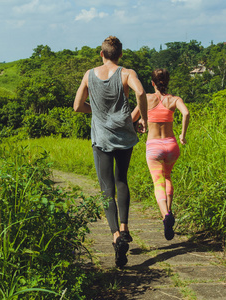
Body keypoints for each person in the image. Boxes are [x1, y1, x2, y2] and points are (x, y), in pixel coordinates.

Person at [73, 36, 148, 268]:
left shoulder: (89, 75)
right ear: (120, 55)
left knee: (107, 189)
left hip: (101, 138)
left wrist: (95, 111)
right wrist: (142, 118)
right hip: (124, 136)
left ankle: (116, 236)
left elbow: (77, 106)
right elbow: (142, 93)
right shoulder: (126, 73)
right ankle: (125, 229)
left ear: (101, 54)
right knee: (121, 180)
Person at [142, 68, 190, 240]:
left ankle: (165, 216)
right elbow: (186, 113)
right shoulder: (174, 100)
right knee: (167, 177)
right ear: (167, 82)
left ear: (153, 82)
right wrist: (183, 135)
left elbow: (132, 116)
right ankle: (169, 211)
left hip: (154, 147)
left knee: (158, 182)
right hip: (171, 146)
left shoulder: (146, 98)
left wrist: (141, 122)